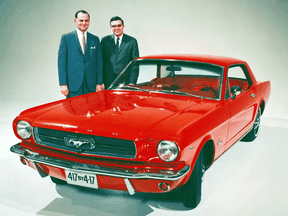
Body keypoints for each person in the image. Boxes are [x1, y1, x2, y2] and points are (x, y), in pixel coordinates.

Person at [58, 10, 103, 98]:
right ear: (75, 21)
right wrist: (63, 83)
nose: (84, 23)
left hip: (91, 84)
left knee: (90, 110)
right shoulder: (66, 38)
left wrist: (99, 83)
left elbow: (99, 63)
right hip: (73, 84)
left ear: (89, 22)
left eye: (86, 21)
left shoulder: (95, 39)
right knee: (75, 110)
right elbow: (61, 62)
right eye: (81, 20)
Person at [101, 16, 139, 88]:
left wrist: (132, 82)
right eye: (114, 26)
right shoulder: (105, 40)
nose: (116, 28)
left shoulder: (132, 41)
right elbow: (101, 62)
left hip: (126, 81)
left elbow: (135, 64)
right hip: (107, 81)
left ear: (123, 26)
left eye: (119, 25)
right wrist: (101, 82)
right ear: (111, 28)